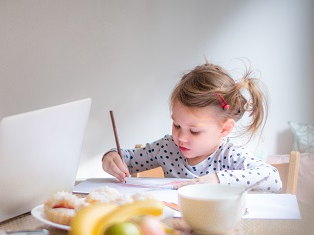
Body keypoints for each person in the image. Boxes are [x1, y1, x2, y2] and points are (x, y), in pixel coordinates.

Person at [102, 62, 282, 192]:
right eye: (176, 125)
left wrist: (218, 180)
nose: (181, 137)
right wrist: (110, 158)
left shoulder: (229, 155)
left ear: (224, 129)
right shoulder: (167, 148)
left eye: (194, 131)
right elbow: (128, 160)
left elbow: (272, 178)